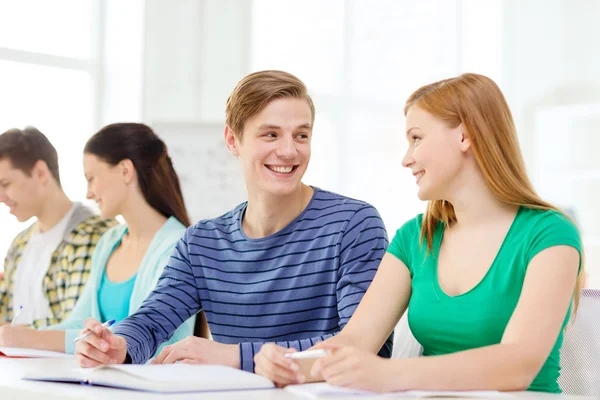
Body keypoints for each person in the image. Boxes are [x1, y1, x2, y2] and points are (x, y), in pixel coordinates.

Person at [73, 70, 393, 374]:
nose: (288, 150)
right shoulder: (202, 242)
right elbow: (153, 319)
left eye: (301, 135)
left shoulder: (354, 225)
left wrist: (232, 355)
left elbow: (363, 349)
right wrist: (118, 345)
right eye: (270, 134)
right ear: (232, 140)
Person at [286, 73, 582, 393]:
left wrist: (390, 374)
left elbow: (517, 364)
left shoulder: (549, 234)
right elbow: (356, 341)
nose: (406, 158)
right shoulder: (414, 238)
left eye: (416, 138)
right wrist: (292, 366)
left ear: (464, 136)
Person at [0, 123, 199, 354]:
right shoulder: (110, 241)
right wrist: (27, 337)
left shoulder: (178, 246)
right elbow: (79, 322)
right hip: (103, 384)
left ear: (125, 171)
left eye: (91, 178)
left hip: (152, 385)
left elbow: (154, 337)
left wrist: (34, 340)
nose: (88, 193)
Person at [0, 127, 115, 328]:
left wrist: (12, 333)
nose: (1, 197)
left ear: (40, 173)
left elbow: (75, 325)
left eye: (5, 183)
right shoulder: (20, 243)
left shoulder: (94, 235)